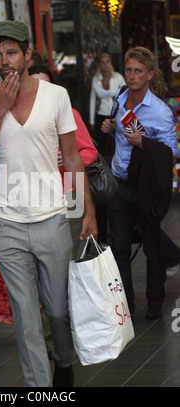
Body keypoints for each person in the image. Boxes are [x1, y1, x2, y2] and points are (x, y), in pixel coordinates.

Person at [0, 20, 97, 387]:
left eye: (11, 52)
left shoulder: (55, 96)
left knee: (56, 310)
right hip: (6, 224)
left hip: (53, 219)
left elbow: (71, 158)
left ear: (27, 54)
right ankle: (39, 387)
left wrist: (87, 210)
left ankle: (63, 358)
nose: (4, 61)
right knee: (25, 316)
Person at [101, 46, 180, 320]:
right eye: (129, 70)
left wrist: (143, 143)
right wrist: (111, 128)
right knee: (119, 247)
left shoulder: (159, 111)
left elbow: (171, 151)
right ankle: (127, 303)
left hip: (145, 186)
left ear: (149, 75)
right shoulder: (121, 99)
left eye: (138, 71)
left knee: (152, 247)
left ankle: (155, 303)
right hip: (118, 183)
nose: (132, 76)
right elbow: (119, 134)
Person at [29, 64, 98, 259]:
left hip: (67, 194)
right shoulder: (21, 119)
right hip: (35, 197)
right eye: (35, 85)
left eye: (46, 85)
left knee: (70, 256)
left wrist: (66, 158)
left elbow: (89, 152)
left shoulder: (68, 113)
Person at [89, 53, 126, 244]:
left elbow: (123, 98)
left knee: (113, 148)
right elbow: (92, 99)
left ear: (111, 63)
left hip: (114, 116)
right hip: (100, 116)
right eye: (102, 62)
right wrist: (91, 120)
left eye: (107, 62)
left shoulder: (118, 78)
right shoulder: (96, 80)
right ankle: (104, 174)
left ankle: (112, 172)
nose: (104, 65)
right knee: (100, 152)